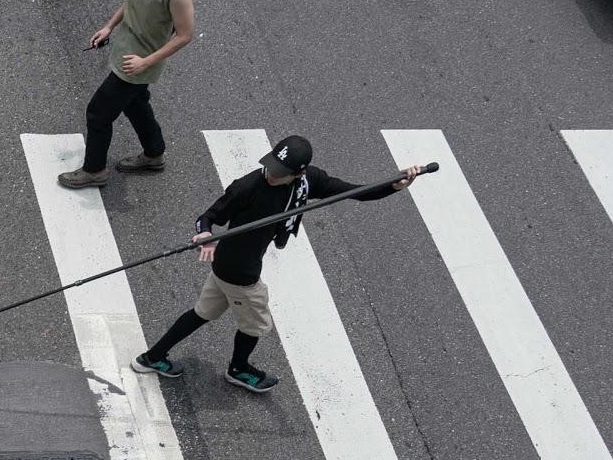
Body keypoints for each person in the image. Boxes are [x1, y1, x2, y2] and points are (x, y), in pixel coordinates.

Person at [136, 136, 431, 394]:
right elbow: (209, 216)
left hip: (230, 266)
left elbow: (355, 192)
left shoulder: (310, 180)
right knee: (256, 324)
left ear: (298, 173)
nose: (271, 175)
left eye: (279, 173)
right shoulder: (248, 186)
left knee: (203, 313)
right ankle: (238, 370)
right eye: (271, 166)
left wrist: (394, 185)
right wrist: (204, 234)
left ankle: (153, 357)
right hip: (240, 272)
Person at [56, 0, 198, 191]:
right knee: (135, 103)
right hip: (126, 47)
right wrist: (109, 26)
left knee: (98, 113)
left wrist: (145, 63)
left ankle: (94, 170)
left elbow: (185, 35)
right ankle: (154, 153)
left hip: (136, 62)